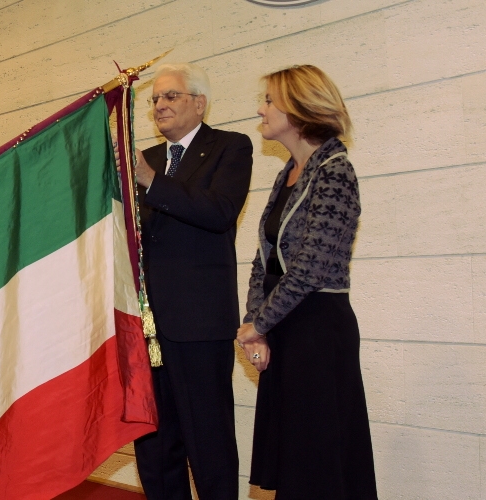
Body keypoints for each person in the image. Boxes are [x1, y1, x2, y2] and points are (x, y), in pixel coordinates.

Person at [237, 64, 377, 498]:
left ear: (297, 110)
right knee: (295, 459)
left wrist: (260, 324)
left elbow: (310, 267)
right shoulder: (289, 173)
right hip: (286, 326)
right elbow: (265, 260)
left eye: (269, 101)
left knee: (317, 461)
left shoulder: (335, 170)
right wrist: (255, 324)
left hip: (318, 328)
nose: (260, 109)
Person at [130, 62, 253, 500]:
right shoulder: (147, 159)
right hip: (147, 327)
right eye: (155, 100)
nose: (160, 105)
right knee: (154, 442)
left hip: (200, 325)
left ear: (198, 103)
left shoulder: (230, 148)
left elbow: (218, 212)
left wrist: (150, 180)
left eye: (170, 96)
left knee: (209, 442)